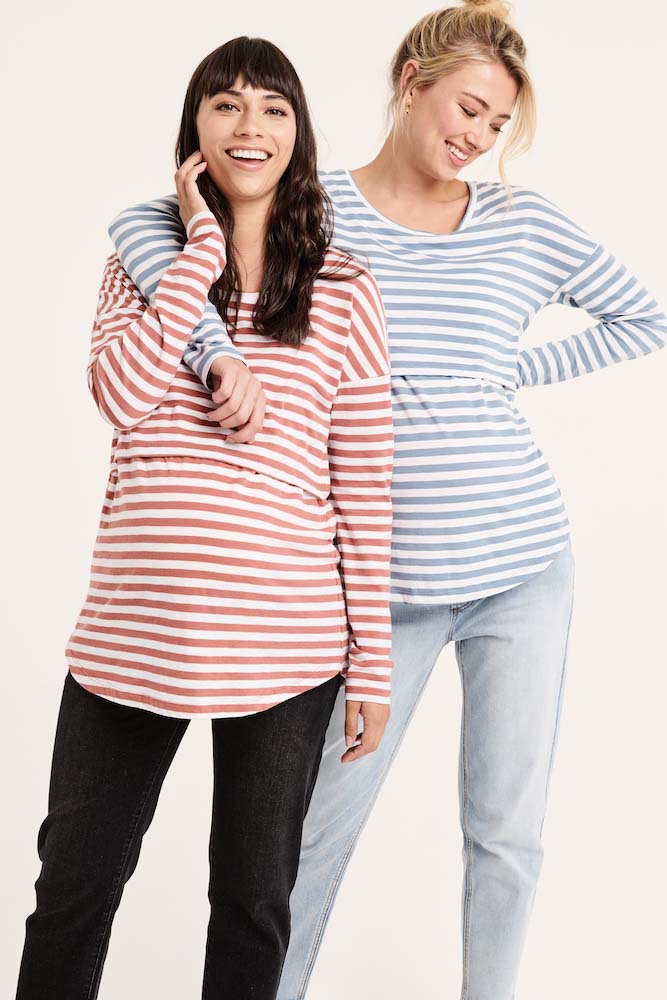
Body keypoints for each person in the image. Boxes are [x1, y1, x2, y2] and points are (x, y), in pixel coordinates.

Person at [104, 4, 667, 998]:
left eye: (497, 124)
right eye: (468, 108)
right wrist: (217, 351)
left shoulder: (522, 223)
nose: (478, 136)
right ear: (412, 81)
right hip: (379, 586)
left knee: (505, 833)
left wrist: (505, 375)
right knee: (312, 835)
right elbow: (147, 231)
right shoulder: (311, 207)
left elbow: (644, 318)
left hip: (521, 569)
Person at [15, 36, 394, 1000]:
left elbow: (363, 486)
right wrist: (200, 250)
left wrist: (372, 665)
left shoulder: (345, 291)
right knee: (73, 889)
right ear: (194, 130)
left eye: (273, 107)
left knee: (253, 902)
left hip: (286, 644)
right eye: (226, 104)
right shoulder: (143, 266)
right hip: (131, 636)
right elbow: (118, 395)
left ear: (299, 133)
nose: (249, 126)